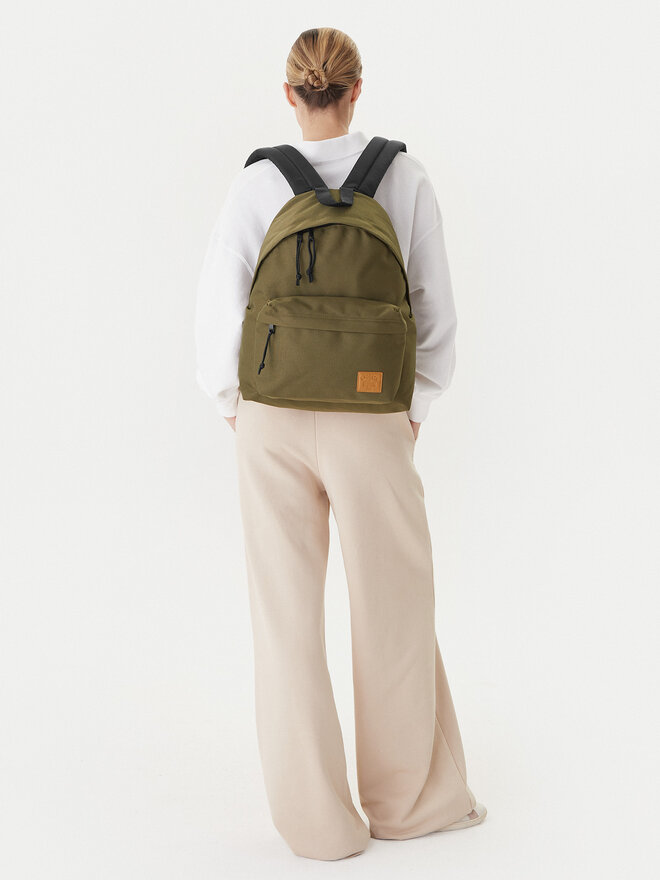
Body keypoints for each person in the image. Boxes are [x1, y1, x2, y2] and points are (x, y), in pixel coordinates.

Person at [195, 26, 486, 862]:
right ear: (357, 89)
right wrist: (412, 407)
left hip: (271, 419)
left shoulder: (257, 182)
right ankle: (409, 805)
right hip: (374, 418)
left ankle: (318, 828)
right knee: (395, 609)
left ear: (290, 94)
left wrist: (235, 404)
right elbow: (436, 313)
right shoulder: (405, 177)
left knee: (285, 619)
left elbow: (218, 310)